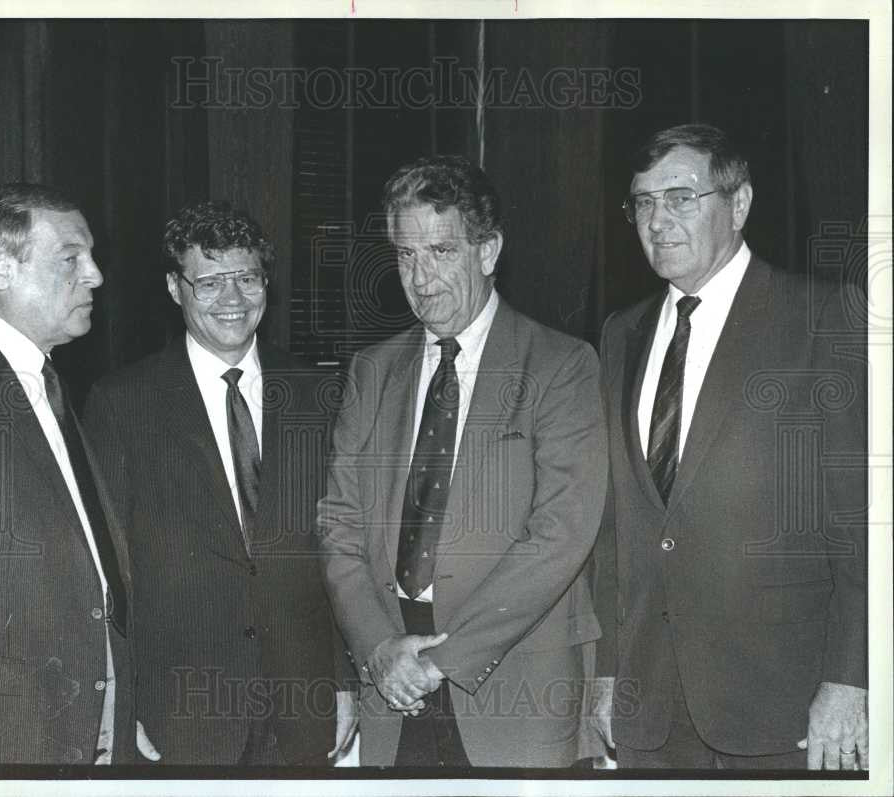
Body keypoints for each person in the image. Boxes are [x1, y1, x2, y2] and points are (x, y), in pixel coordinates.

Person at [590, 123, 868, 770]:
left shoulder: (822, 319)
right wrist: (606, 674)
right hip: (650, 707)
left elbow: (862, 522)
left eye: (682, 197)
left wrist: (851, 679)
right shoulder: (620, 335)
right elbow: (613, 532)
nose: (659, 220)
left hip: (785, 704)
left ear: (738, 204)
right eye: (643, 202)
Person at [318, 155, 608, 768]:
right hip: (391, 682)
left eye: (442, 252)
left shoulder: (560, 365)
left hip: (511, 682)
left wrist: (438, 662)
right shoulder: (372, 371)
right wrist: (378, 651)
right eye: (405, 255)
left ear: (488, 250)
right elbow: (339, 527)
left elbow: (560, 535)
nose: (421, 279)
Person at [82, 200, 356, 766]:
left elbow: (337, 549)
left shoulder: (317, 395)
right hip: (180, 707)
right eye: (209, 282)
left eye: (246, 278)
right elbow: (109, 568)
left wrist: (342, 676)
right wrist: (126, 698)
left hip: (302, 701)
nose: (232, 300)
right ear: (174, 288)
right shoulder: (122, 402)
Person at [0, 183, 144, 764]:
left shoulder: (51, 383)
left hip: (90, 721)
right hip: (17, 739)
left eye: (90, 256)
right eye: (71, 258)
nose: (95, 276)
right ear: (2, 269)